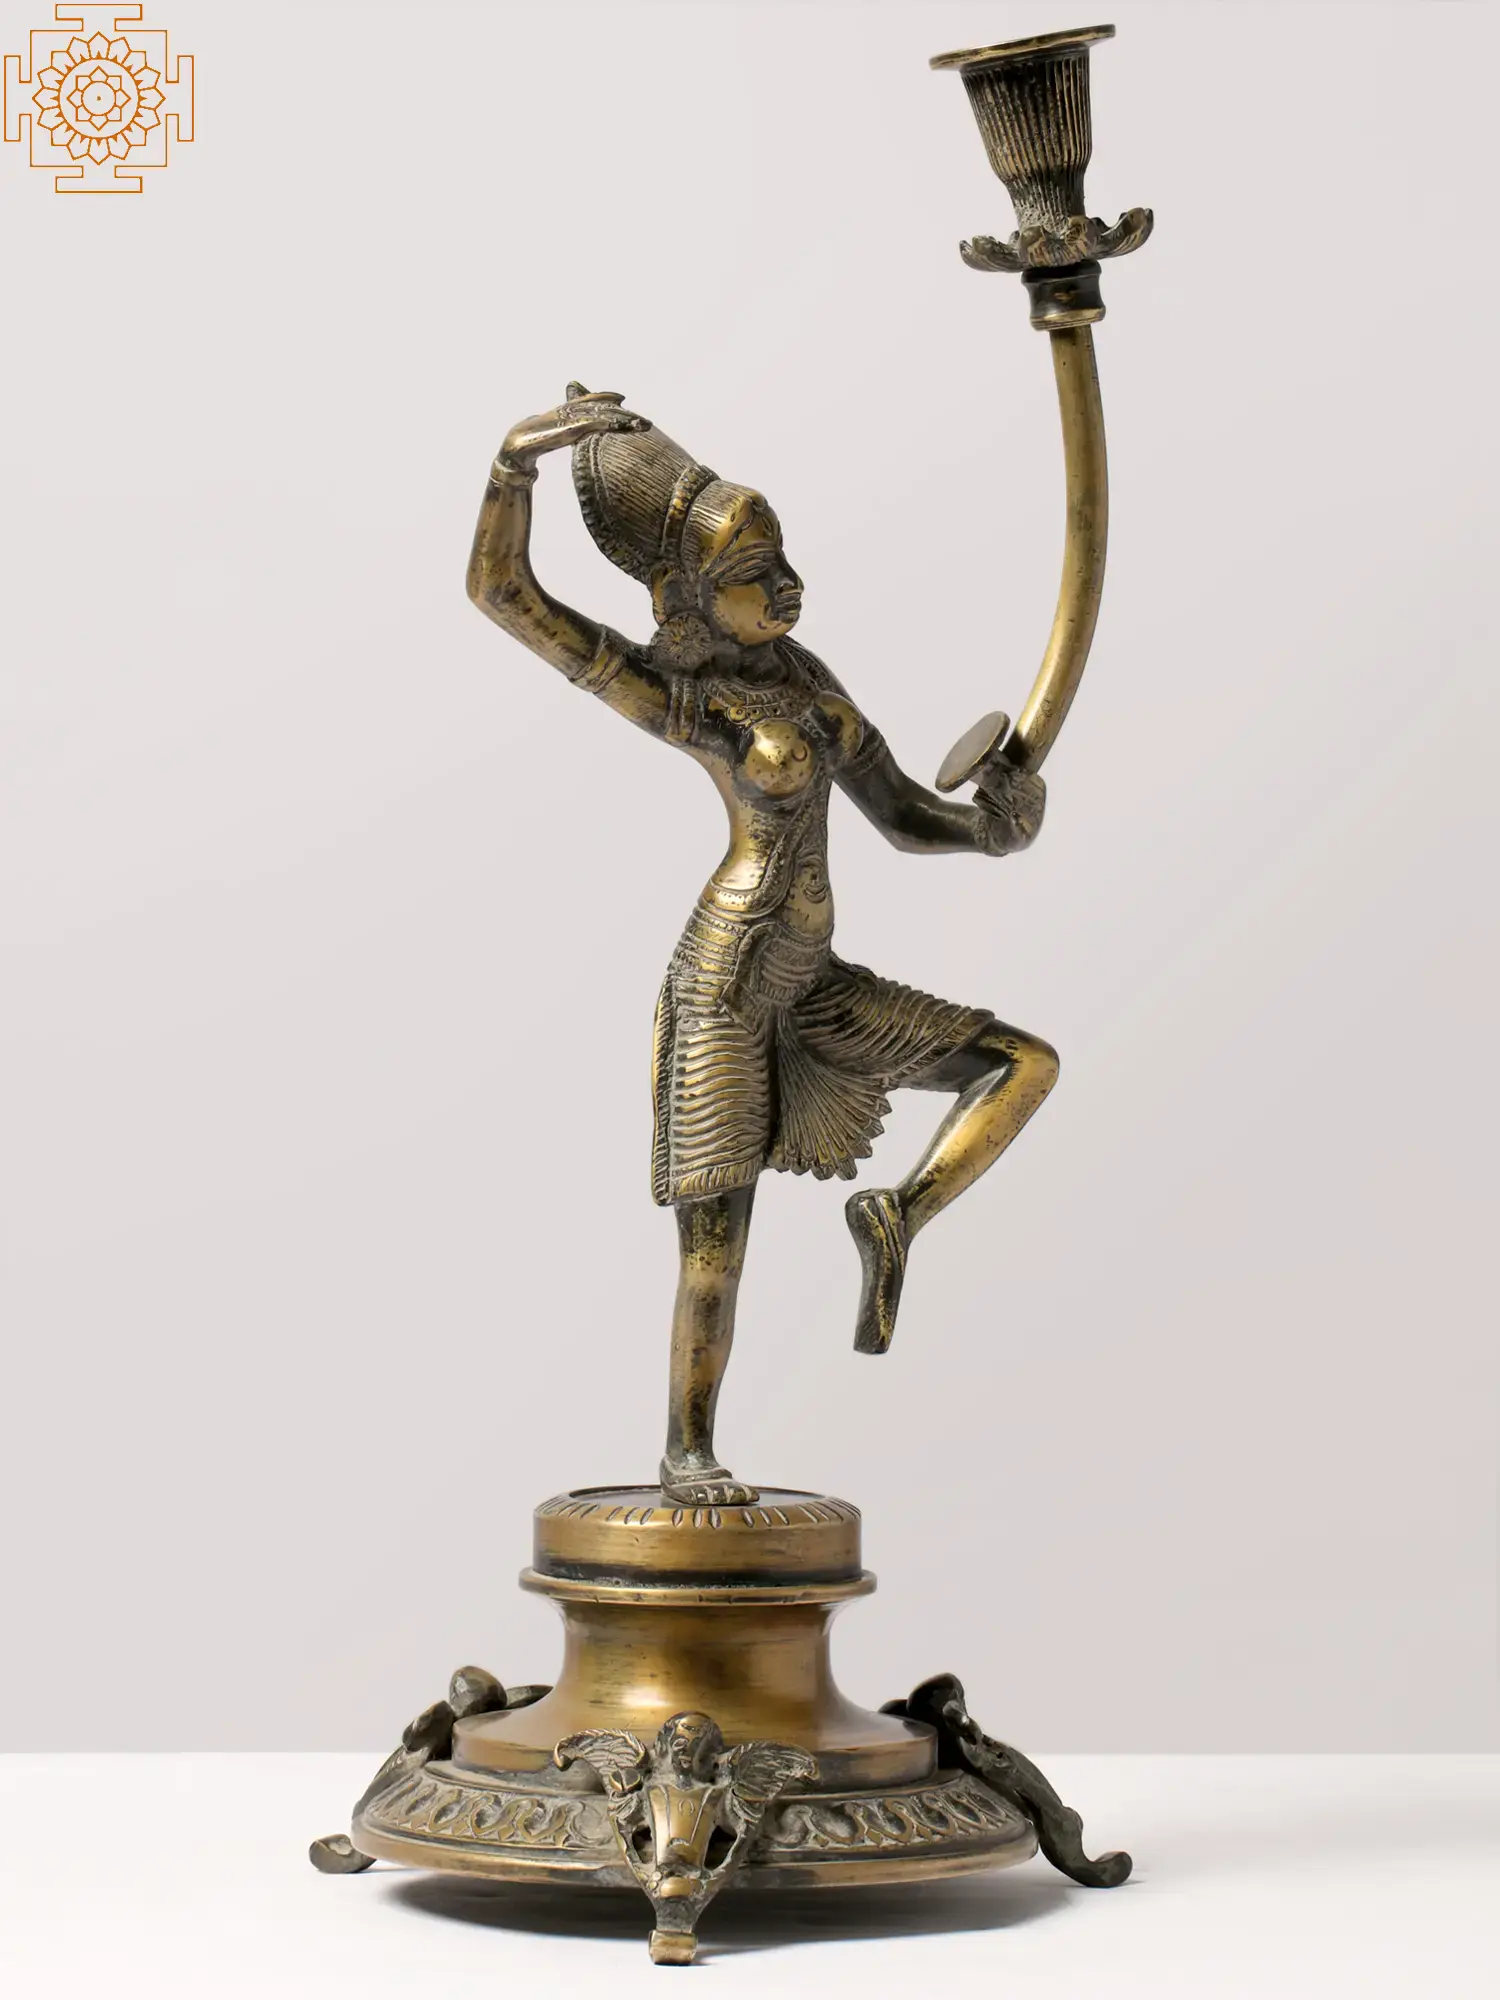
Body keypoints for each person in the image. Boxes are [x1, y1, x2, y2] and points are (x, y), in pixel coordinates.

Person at [468, 388, 1057, 1504]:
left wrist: (995, 828)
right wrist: (512, 468)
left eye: (783, 558)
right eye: (753, 572)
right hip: (727, 988)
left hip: (812, 980)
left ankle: (897, 1213)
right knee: (715, 1248)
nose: (785, 584)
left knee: (1020, 1063)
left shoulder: (810, 683)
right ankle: (688, 1449)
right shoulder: (688, 698)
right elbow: (503, 593)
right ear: (689, 597)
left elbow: (905, 817)